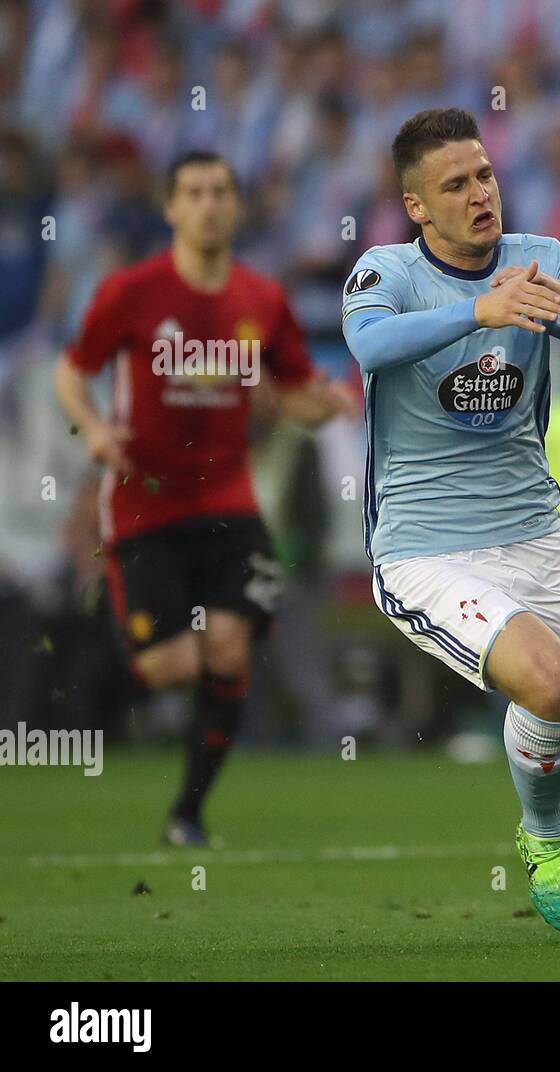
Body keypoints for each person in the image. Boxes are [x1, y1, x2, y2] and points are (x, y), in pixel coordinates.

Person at [342, 108, 560, 941]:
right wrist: (479, 312)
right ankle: (543, 838)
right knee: (549, 682)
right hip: (426, 551)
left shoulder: (540, 259)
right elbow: (370, 349)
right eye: (455, 185)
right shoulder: (385, 271)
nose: (480, 194)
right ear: (417, 208)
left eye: (483, 174)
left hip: (537, 541)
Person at [54, 151, 357, 846]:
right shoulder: (132, 291)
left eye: (221, 190)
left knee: (227, 649)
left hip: (227, 499)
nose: (210, 204)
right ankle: (128, 634)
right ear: (171, 209)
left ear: (237, 205)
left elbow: (296, 390)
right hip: (144, 505)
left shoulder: (262, 299)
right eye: (194, 192)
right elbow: (73, 373)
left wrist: (328, 402)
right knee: (167, 667)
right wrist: (96, 428)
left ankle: (187, 817)